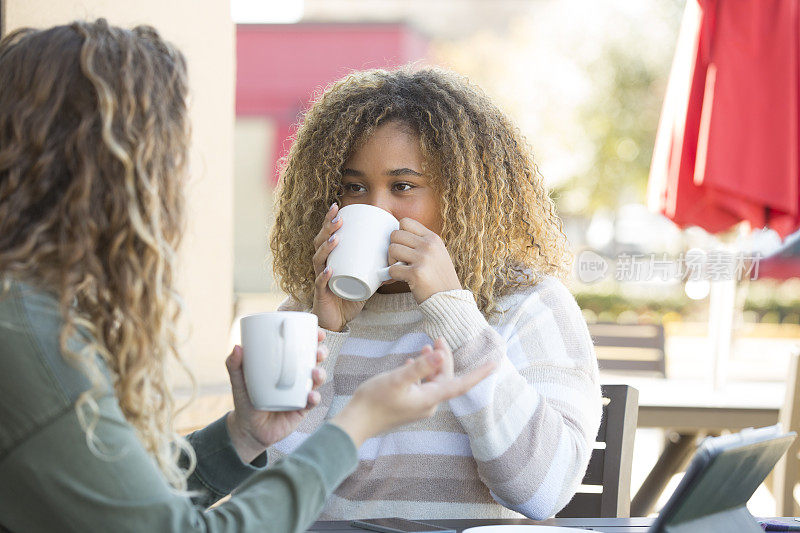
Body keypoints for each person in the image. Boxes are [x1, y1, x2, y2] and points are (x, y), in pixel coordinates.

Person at [0, 20, 494, 533]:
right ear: (105, 169)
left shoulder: (29, 310)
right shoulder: (27, 336)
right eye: (162, 156)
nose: (176, 181)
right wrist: (354, 426)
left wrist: (241, 436)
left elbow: (123, 499)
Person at [269, 67, 603, 520]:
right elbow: (274, 503)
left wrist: (452, 311)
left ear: (463, 194)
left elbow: (543, 489)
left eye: (402, 186)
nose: (375, 208)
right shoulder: (305, 315)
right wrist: (325, 333)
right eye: (355, 187)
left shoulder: (527, 304)